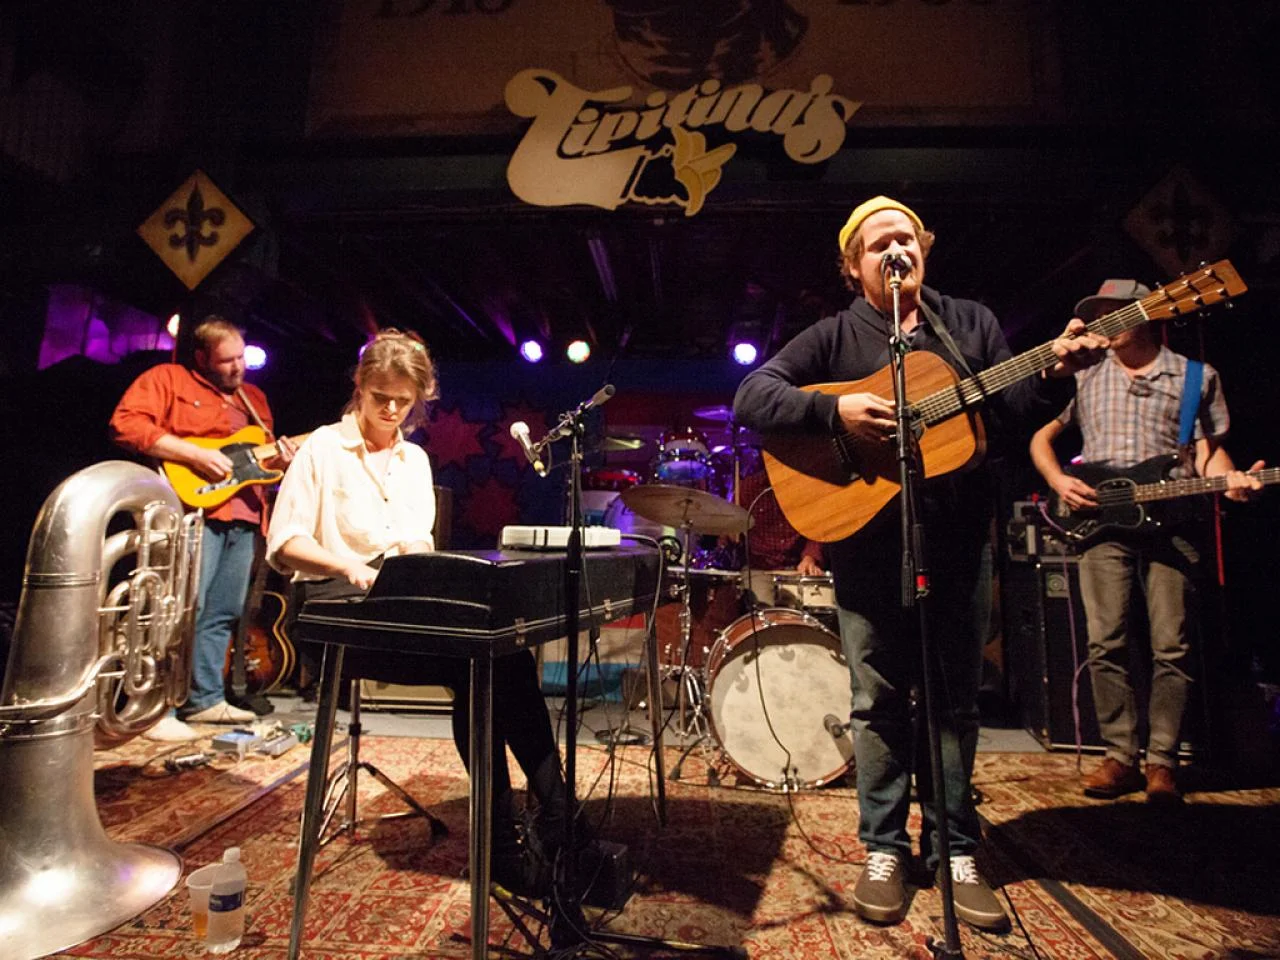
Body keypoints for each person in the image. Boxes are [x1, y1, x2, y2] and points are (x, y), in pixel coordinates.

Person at [733, 196, 1108, 931]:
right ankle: (883, 848)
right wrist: (833, 414)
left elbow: (1018, 413)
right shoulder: (833, 337)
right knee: (876, 700)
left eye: (906, 239)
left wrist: (1059, 373)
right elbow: (754, 394)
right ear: (854, 266)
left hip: (960, 538)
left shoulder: (968, 325)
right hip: (867, 545)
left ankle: (955, 850)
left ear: (924, 249)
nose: (895, 252)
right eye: (878, 246)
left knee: (953, 700)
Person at [265, 329, 574, 896]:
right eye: (379, 396)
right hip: (334, 609)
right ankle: (504, 847)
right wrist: (349, 566)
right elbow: (284, 542)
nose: (389, 410)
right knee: (474, 665)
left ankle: (556, 815)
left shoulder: (414, 459)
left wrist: (421, 570)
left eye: (402, 401)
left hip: (397, 600)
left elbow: (415, 541)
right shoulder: (321, 449)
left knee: (503, 653)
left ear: (419, 399)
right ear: (358, 386)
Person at [1029, 279, 1263, 804]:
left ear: (1149, 315)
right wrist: (1058, 479)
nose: (1105, 322)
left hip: (1171, 520)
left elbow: (1207, 455)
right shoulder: (1087, 373)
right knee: (1104, 640)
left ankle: (1162, 761)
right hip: (1102, 524)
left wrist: (1233, 483)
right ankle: (1119, 757)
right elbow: (1041, 436)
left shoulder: (1194, 376)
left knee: (1171, 644)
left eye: (1116, 313)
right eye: (1099, 314)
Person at [110, 315, 294, 741]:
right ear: (201, 358)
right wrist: (191, 453)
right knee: (176, 611)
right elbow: (126, 425)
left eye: (241, 358)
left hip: (244, 517)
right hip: (191, 515)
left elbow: (256, 467)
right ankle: (154, 709)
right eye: (226, 361)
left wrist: (282, 462)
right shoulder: (168, 379)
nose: (237, 368)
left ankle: (205, 700)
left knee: (223, 613)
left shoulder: (254, 398)